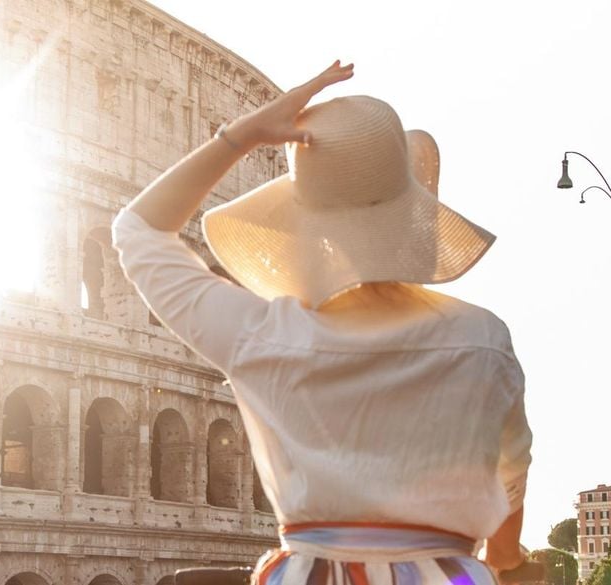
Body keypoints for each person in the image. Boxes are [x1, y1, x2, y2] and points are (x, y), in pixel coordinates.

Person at [111, 62, 532, 585]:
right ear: (412, 214)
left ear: (302, 227)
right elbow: (511, 472)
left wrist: (241, 135)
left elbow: (138, 230)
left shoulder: (262, 335)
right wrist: (506, 559)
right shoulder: (482, 340)